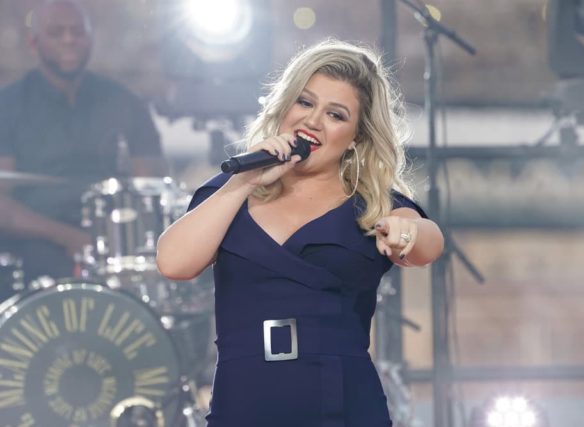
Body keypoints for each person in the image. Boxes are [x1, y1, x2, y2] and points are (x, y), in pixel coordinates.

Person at [157, 39, 444, 427]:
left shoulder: (373, 204)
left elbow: (427, 242)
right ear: (285, 105)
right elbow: (173, 262)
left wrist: (406, 233)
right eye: (305, 103)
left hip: (342, 405)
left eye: (336, 114)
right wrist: (243, 183)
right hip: (243, 403)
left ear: (357, 136)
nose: (313, 120)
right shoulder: (228, 191)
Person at [0, 0, 167, 286]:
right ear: (34, 43)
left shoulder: (125, 102)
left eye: (78, 32)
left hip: (116, 248)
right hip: (32, 253)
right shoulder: (8, 105)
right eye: (56, 32)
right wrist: (68, 237)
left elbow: (151, 189)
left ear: (91, 37)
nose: (69, 40)